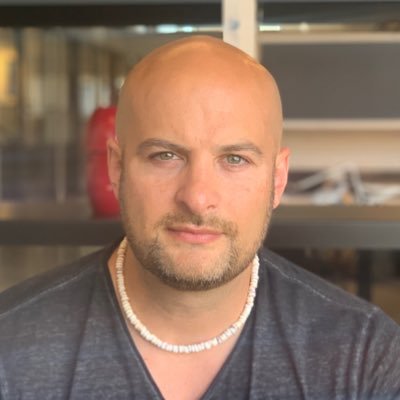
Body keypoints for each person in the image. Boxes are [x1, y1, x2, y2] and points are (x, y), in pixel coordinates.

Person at [0, 36, 399, 400]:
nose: (197, 197)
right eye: (165, 156)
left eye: (234, 159)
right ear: (117, 169)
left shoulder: (364, 358)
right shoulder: (11, 348)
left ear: (277, 180)